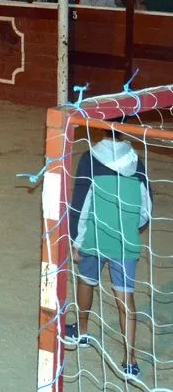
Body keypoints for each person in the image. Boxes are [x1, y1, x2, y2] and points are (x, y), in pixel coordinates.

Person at [65, 118, 152, 379]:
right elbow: (146, 206)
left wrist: (77, 240)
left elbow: (80, 203)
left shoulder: (89, 159)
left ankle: (81, 331)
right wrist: (131, 228)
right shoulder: (137, 162)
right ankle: (130, 360)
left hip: (94, 236)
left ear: (98, 129)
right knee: (126, 297)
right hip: (125, 241)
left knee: (86, 281)